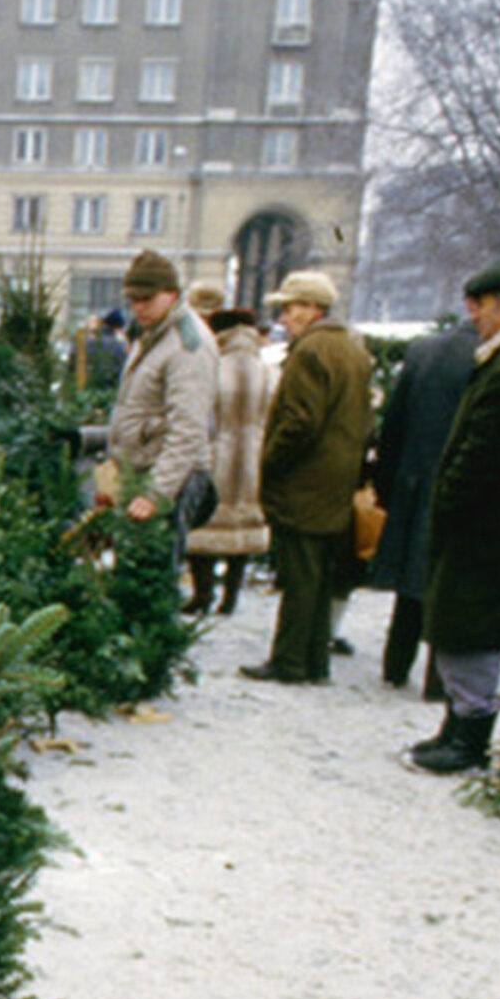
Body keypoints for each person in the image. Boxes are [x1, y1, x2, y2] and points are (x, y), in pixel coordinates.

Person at [407, 253, 500, 773]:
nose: (473, 318)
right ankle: (457, 728)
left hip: (484, 529)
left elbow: (485, 453)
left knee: (467, 629)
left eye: (480, 308)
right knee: (461, 628)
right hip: (487, 526)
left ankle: (468, 739)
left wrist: (448, 501)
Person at [241, 270, 373, 685]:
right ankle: (315, 660)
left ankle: (290, 661)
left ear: (315, 308)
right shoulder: (352, 349)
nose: (284, 316)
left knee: (299, 574)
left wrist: (271, 463)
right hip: (335, 481)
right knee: (318, 575)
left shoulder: (310, 351)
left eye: (291, 307)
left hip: (305, 481)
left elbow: (299, 422)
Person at [70, 249, 216, 536]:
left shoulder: (188, 346)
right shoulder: (151, 336)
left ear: (171, 294)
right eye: (133, 300)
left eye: (146, 299)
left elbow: (188, 428)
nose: (138, 307)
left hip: (171, 481)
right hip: (140, 476)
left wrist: (156, 493)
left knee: (155, 570)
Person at [370, 311, 480, 690]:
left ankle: (396, 665)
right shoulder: (497, 355)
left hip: (415, 482)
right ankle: (438, 680)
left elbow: (393, 425)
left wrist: (387, 485)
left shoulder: (424, 351)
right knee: (450, 584)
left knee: (411, 585)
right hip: (467, 486)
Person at [185, 308, 272, 615]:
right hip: (252, 458)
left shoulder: (212, 367)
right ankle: (231, 597)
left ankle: (203, 594)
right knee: (242, 527)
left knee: (204, 524)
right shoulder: (267, 371)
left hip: (216, 455)